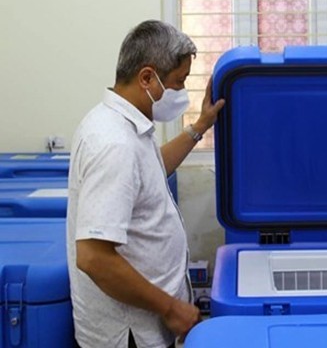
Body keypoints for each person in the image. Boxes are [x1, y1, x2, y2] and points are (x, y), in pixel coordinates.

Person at [66, 20, 226, 347]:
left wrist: (200, 126)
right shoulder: (114, 144)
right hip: (129, 335)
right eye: (178, 82)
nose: (181, 93)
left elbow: (149, 173)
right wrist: (171, 308)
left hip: (142, 327)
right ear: (147, 78)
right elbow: (93, 257)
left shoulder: (119, 124)